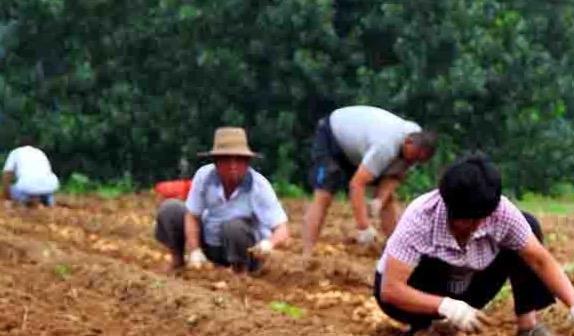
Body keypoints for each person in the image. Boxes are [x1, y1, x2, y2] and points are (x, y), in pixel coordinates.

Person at [375, 154, 574, 336]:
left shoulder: (500, 212)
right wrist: (447, 307)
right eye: (468, 220)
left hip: (468, 286)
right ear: (449, 207)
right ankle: (424, 326)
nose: (476, 226)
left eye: (482, 218)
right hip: (417, 290)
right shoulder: (421, 216)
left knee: (528, 227)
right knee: (418, 286)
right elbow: (391, 289)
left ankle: (528, 327)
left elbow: (539, 260)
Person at [302, 106, 438, 255]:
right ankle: (307, 253)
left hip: (360, 148)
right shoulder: (385, 147)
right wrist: (363, 226)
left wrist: (379, 200)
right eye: (413, 158)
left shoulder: (415, 148)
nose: (412, 163)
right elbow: (356, 184)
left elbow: (394, 177)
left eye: (417, 160)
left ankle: (398, 250)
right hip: (333, 136)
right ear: (408, 142)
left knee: (388, 200)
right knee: (324, 194)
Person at [154, 127, 290, 273]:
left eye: (239, 159)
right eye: (226, 159)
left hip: (245, 250)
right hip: (210, 242)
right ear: (216, 161)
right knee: (170, 209)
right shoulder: (204, 176)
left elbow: (282, 229)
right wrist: (194, 250)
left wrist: (268, 244)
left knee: (233, 227)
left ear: (247, 162)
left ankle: (240, 272)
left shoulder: (259, 186)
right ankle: (178, 262)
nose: (233, 166)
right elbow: (192, 215)